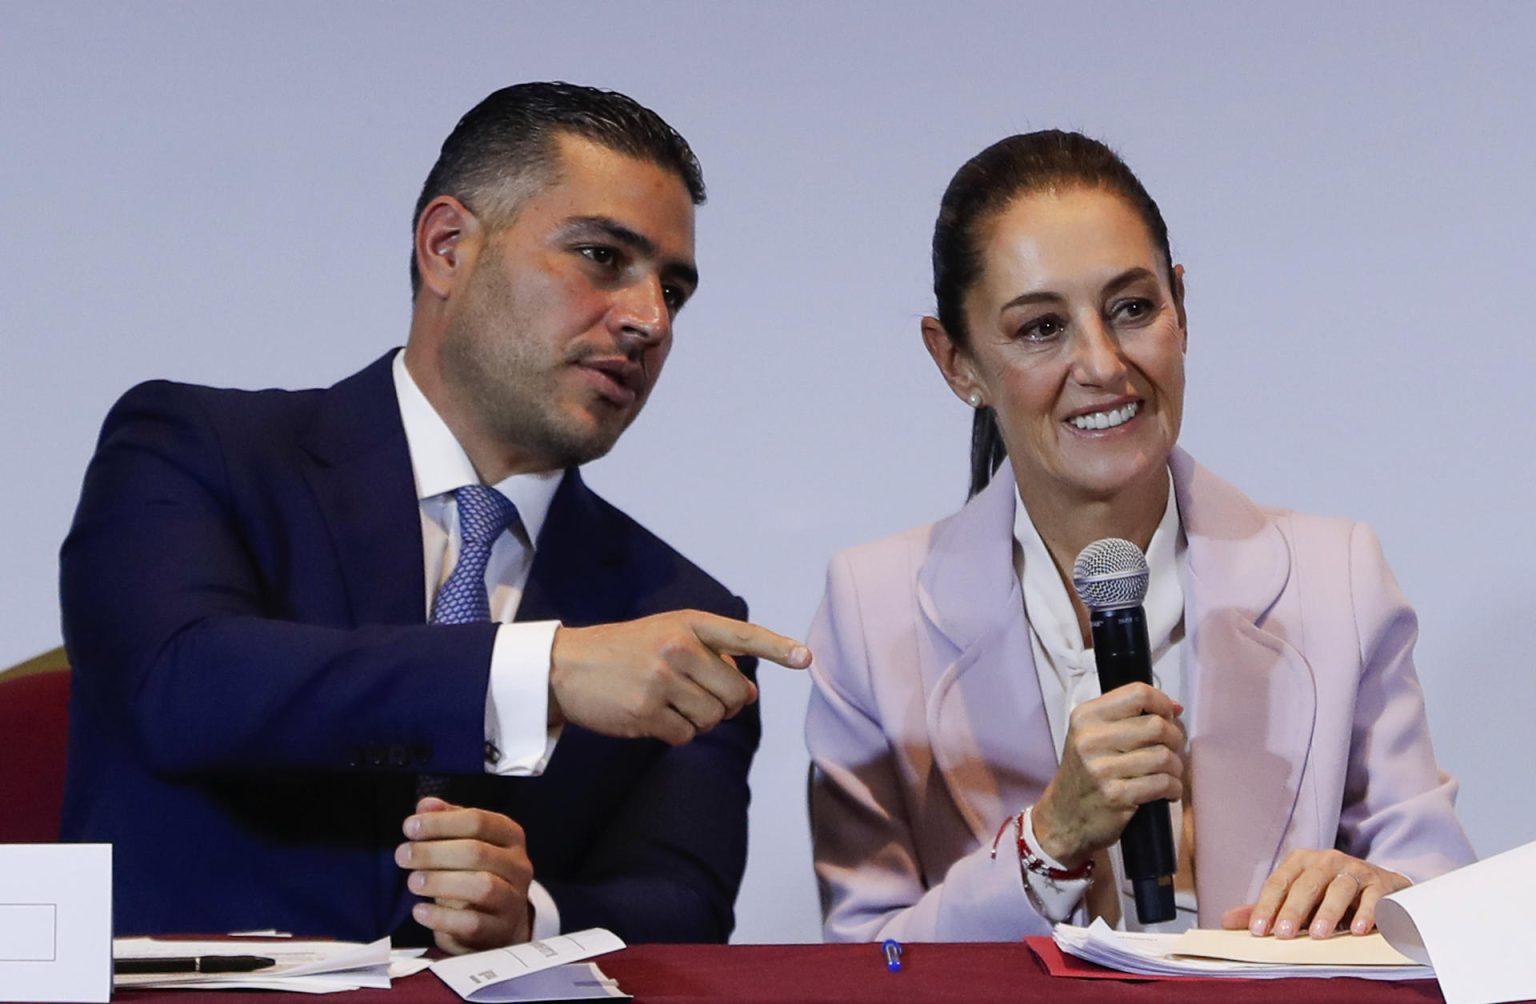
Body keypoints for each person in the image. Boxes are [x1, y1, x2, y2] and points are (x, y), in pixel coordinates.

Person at [60, 81, 810, 952]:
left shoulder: (679, 615)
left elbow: (683, 908)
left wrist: (530, 916)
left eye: (673, 290)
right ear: (447, 246)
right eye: (603, 257)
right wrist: (543, 672)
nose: (649, 320)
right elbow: (180, 685)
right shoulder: (197, 446)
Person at [805, 130, 1473, 943]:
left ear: (1180, 310)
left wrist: (1383, 892)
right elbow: (862, 960)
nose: (1102, 363)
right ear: (958, 364)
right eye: (1041, 328)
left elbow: (1442, 890)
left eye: (1131, 308)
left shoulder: (1338, 578)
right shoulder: (873, 610)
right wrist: (1044, 846)